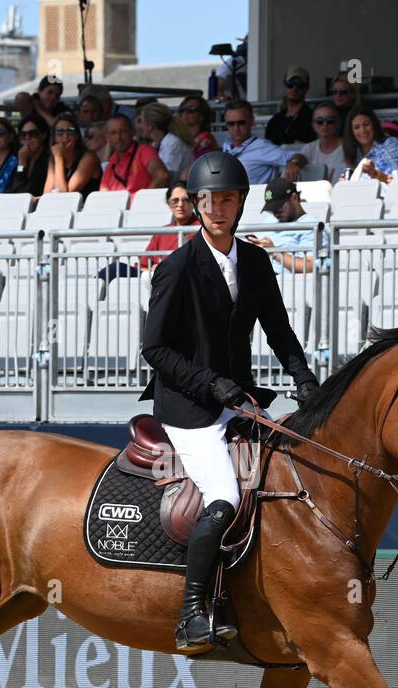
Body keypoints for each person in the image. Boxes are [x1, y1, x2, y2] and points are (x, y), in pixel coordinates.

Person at [140, 151, 319, 650]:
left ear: (240, 204)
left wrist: (305, 381)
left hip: (236, 401)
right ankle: (192, 613)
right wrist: (210, 385)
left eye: (226, 199)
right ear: (196, 206)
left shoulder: (257, 261)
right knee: (225, 496)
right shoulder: (177, 268)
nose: (217, 208)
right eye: (207, 200)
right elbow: (154, 348)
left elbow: (280, 332)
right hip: (189, 408)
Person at [243, 179, 317, 273]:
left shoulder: (311, 225)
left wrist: (275, 252)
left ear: (294, 198)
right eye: (271, 210)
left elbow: (311, 267)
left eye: (278, 208)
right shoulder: (269, 221)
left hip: (286, 282)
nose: (275, 214)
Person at [220, 100, 290, 185]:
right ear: (226, 125)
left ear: (252, 121)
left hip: (254, 196)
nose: (236, 128)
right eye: (231, 124)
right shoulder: (225, 148)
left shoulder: (262, 147)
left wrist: (294, 163)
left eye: (241, 123)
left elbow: (297, 156)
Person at [100, 113, 169, 194]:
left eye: (123, 132)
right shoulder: (110, 166)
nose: (118, 137)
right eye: (113, 133)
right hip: (116, 206)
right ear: (107, 137)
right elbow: (103, 193)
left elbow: (162, 175)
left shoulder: (144, 151)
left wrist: (143, 199)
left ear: (133, 132)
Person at [284, 101, 348, 183]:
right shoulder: (311, 147)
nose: (325, 124)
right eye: (319, 121)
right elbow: (301, 157)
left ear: (338, 122)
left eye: (330, 121)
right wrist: (293, 163)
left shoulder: (348, 147)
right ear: (313, 125)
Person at [342, 105, 398, 182]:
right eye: (357, 127)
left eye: (366, 124)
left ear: (374, 124)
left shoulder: (390, 145)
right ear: (351, 132)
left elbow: (396, 180)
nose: (363, 130)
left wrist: (374, 173)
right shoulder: (353, 153)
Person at [47, 111, 103, 197]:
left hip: (86, 209)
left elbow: (63, 197)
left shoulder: (89, 158)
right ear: (54, 138)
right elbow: (47, 194)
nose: (65, 136)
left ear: (77, 135)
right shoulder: (54, 158)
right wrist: (58, 158)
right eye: (60, 132)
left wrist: (58, 159)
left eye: (70, 131)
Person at [137, 101, 193, 179]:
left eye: (141, 122)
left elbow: (168, 178)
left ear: (150, 125)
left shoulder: (173, 144)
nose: (139, 126)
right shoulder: (156, 144)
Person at [265, 65, 316, 145]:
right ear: (285, 86)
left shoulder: (313, 118)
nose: (294, 88)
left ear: (306, 88)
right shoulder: (275, 121)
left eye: (300, 85)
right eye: (290, 83)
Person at [177, 96, 219, 165]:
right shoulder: (180, 138)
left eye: (191, 109)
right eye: (182, 109)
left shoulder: (207, 140)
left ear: (202, 116)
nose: (185, 112)